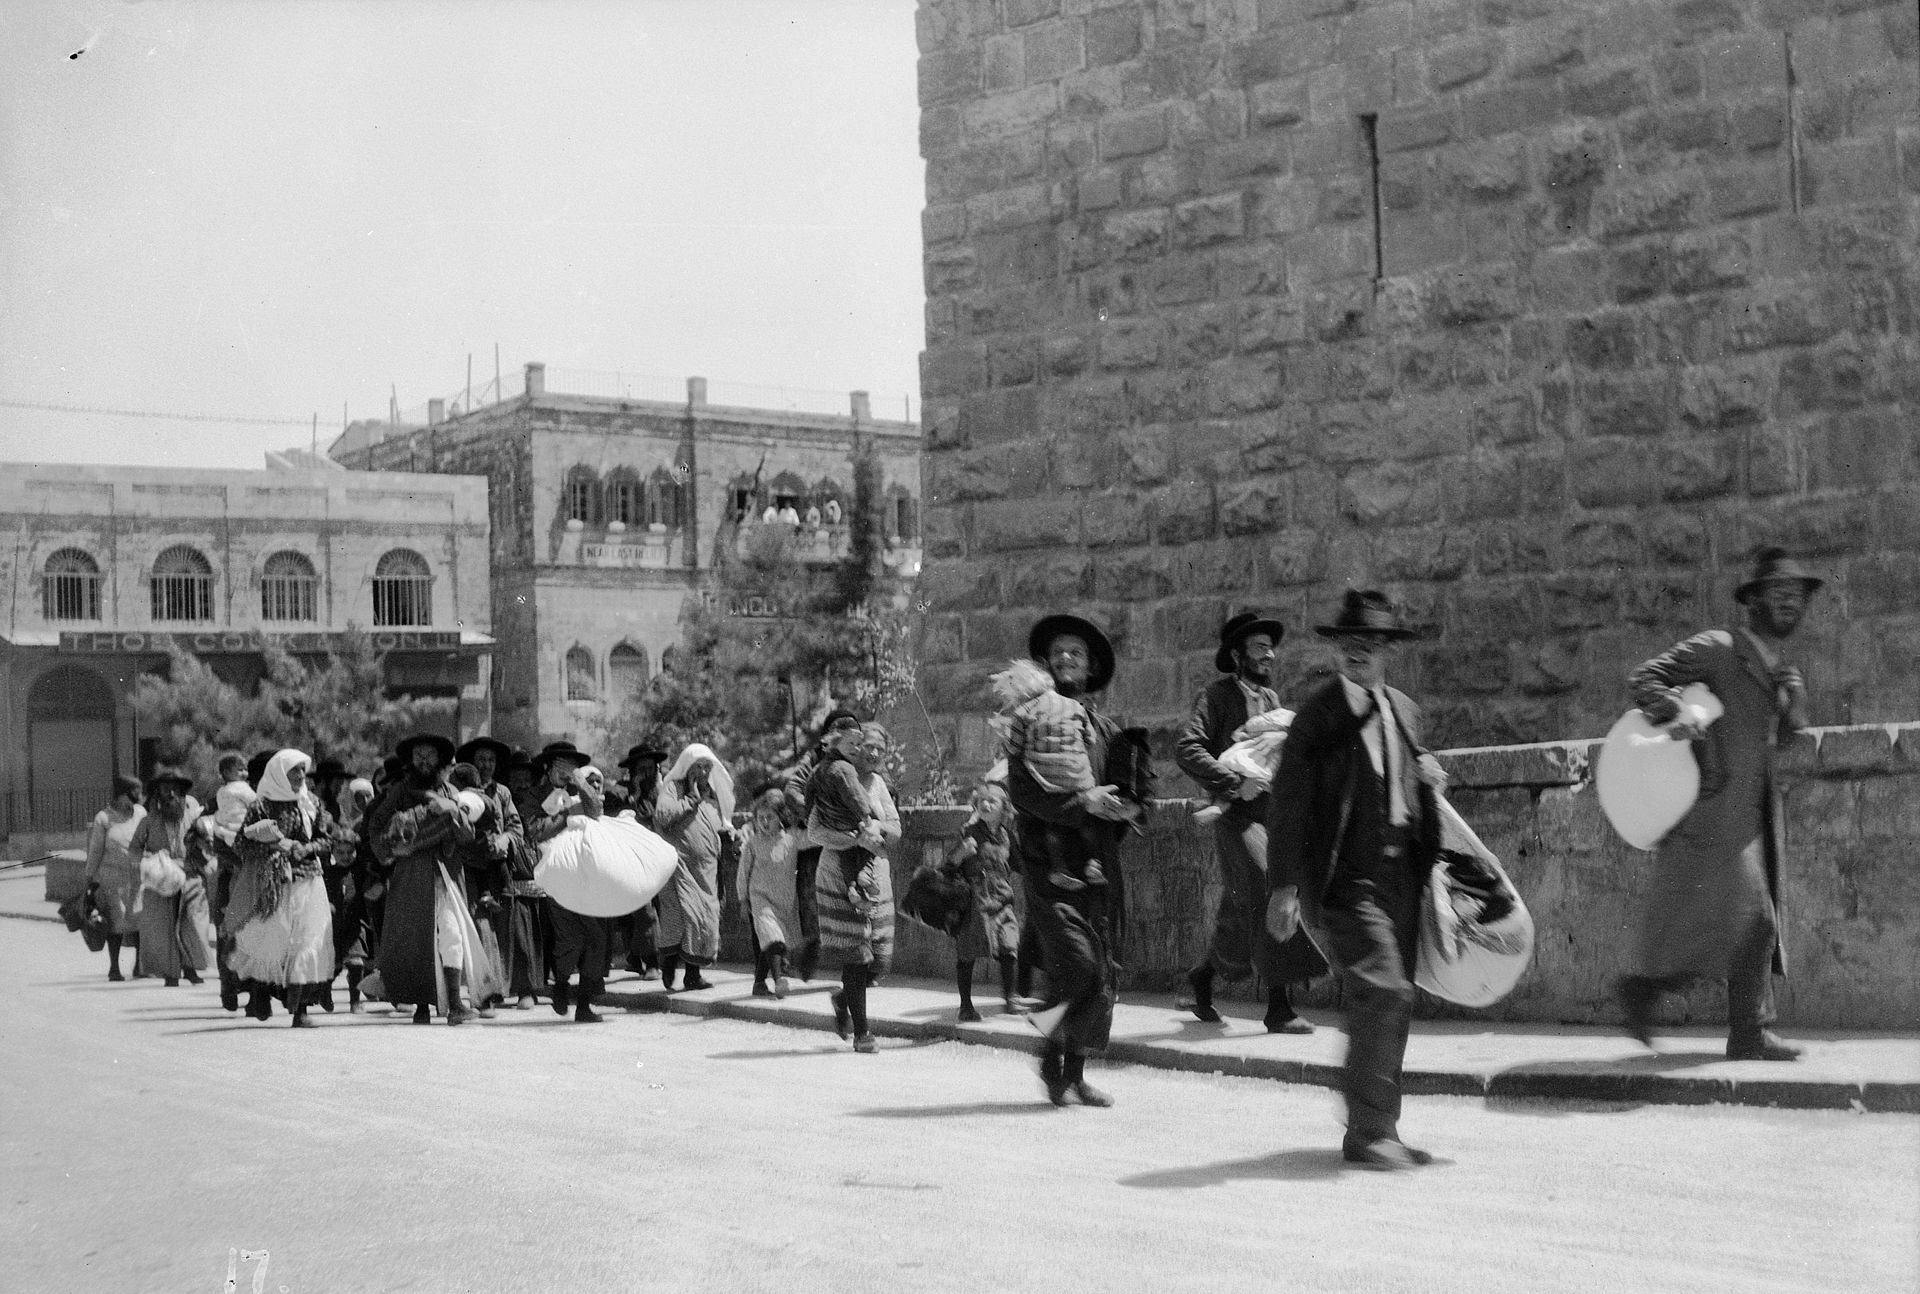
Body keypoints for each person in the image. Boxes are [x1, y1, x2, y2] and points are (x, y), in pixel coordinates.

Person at [1266, 590, 1450, 1171]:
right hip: (1347, 877)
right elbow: (1289, 802)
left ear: (1388, 651)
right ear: (1337, 651)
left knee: (1398, 996)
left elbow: (1411, 785)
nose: (1359, 653)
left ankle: (1378, 1128)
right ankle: (1370, 1129)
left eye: (1371, 645)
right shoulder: (1318, 716)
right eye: (1350, 645)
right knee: (1383, 989)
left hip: (1403, 873)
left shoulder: (1404, 709)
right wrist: (1284, 886)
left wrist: (1431, 780)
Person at [1617, 548, 1821, 1062]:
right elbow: (1645, 678)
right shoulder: (1719, 647)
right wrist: (1676, 710)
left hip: (1752, 815)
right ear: (1753, 601)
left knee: (1741, 924)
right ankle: (1722, 1021)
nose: (1790, 605)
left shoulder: (1775, 665)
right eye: (1779, 594)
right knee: (1750, 920)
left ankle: (1717, 1018)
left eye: (1797, 597)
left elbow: (1787, 736)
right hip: (1712, 813)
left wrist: (1792, 697)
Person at [1004, 614, 1136, 1105]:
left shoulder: (1106, 731)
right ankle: (1049, 1044)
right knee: (1079, 966)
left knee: (1103, 970)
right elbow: (1021, 792)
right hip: (1049, 863)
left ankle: (1074, 1074)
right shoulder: (1032, 720)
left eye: (1075, 654)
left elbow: (1123, 799)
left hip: (1100, 863)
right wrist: (1083, 803)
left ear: (1090, 667)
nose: (1064, 660)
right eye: (1057, 653)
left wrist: (1126, 807)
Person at [1175, 611, 1326, 1033]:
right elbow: (1187, 748)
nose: (1269, 656)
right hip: (1235, 815)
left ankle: (1201, 978)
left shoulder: (1273, 702)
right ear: (1238, 654)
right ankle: (1279, 1007)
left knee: (1242, 909)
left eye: (1270, 649)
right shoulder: (1215, 696)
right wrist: (1232, 781)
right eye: (1260, 648)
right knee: (1267, 884)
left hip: (1272, 816)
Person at [370, 732, 491, 1025]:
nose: (424, 761)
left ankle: (454, 1004)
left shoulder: (451, 792)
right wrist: (398, 843)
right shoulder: (399, 791)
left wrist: (453, 812)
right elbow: (377, 826)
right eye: (418, 756)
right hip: (412, 875)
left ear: (440, 760)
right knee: (416, 939)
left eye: (430, 756)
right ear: (411, 760)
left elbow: (467, 836)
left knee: (452, 933)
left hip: (447, 873)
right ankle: (421, 1004)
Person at [809, 722, 901, 1054]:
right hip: (837, 876)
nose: (874, 753)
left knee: (880, 961)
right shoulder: (833, 778)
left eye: (881, 748)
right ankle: (863, 1033)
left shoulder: (878, 785)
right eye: (869, 746)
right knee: (856, 957)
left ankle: (843, 998)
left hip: (875, 876)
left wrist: (876, 827)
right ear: (855, 747)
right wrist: (852, 838)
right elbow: (814, 832)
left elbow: (896, 830)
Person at [230, 750, 337, 1027]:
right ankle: (261, 991)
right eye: (294, 771)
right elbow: (240, 844)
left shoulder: (311, 804)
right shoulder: (261, 806)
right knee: (272, 939)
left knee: (306, 942)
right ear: (279, 772)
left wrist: (306, 848)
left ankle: (301, 1009)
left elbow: (327, 840)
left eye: (303, 770)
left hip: (308, 880)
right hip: (273, 883)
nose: (300, 776)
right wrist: (270, 845)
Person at [522, 741, 613, 1022]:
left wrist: (581, 785)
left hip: (584, 872)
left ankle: (583, 1004)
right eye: (561, 766)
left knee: (597, 938)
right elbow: (536, 832)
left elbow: (596, 810)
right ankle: (561, 984)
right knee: (569, 939)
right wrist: (566, 815)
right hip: (555, 875)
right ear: (549, 768)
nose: (566, 772)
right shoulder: (533, 796)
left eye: (571, 767)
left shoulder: (580, 792)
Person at [458, 737, 542, 1010]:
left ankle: (523, 990)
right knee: (482, 927)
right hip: (472, 869)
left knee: (512, 928)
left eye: (491, 760)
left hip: (502, 868)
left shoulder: (503, 793)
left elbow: (516, 827)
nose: (486, 765)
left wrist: (505, 840)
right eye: (481, 760)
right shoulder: (460, 792)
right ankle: (486, 993)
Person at [781, 709, 861, 982]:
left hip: (854, 841)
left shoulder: (858, 756)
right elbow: (792, 790)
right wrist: (818, 817)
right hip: (819, 846)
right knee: (817, 907)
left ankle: (861, 970)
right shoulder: (815, 759)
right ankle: (813, 952)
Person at [653, 744, 733, 992]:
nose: (704, 771)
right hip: (680, 868)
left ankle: (692, 976)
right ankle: (668, 965)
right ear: (687, 767)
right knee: (681, 918)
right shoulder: (674, 789)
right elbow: (663, 816)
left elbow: (718, 825)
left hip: (706, 872)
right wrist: (690, 799)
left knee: (703, 921)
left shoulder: (711, 795)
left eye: (708, 766)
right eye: (698, 766)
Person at [126, 766, 212, 987]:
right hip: (161, 881)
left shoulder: (194, 818)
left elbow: (208, 845)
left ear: (183, 793)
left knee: (192, 924)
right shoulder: (148, 822)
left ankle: (191, 968)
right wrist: (147, 864)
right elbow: (134, 849)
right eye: (166, 790)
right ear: (158, 794)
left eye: (175, 790)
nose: (171, 795)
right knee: (164, 928)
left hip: (191, 878)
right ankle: (170, 973)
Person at [949, 781, 1025, 1021]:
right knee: (968, 953)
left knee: (1009, 945)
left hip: (1002, 899)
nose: (985, 803)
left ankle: (1011, 999)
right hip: (976, 901)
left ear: (1004, 808)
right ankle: (966, 1006)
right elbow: (950, 865)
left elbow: (1020, 866)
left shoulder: (1007, 836)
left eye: (992, 800)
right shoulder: (968, 832)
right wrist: (961, 853)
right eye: (981, 799)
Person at [500, 748, 554, 1007]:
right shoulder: (502, 807)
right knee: (521, 935)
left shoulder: (542, 807)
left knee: (548, 934)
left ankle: (552, 983)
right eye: (516, 778)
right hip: (514, 879)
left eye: (526, 779)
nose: (521, 784)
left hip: (546, 875)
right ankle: (525, 990)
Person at [203, 752, 256, 1009]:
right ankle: (228, 986)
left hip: (248, 871)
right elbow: (214, 839)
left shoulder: (244, 801)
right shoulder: (219, 804)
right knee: (227, 933)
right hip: (229, 875)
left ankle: (255, 992)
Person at [735, 789, 800, 998]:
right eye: (760, 818)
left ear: (781, 817)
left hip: (783, 901)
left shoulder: (793, 840)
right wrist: (743, 900)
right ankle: (779, 978)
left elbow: (816, 838)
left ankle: (758, 983)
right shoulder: (754, 843)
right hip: (760, 899)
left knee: (769, 942)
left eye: (769, 817)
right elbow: (743, 872)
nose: (764, 822)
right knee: (772, 938)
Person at [82, 775, 147, 982]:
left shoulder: (141, 814)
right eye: (135, 791)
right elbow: (95, 852)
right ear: (122, 794)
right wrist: (90, 878)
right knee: (116, 924)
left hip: (137, 878)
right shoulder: (104, 818)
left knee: (139, 921)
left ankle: (140, 965)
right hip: (112, 881)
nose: (140, 796)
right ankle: (114, 968)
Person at [613, 741, 668, 979]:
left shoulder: (664, 793)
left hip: (659, 859)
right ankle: (651, 962)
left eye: (651, 769)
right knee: (641, 912)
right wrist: (634, 796)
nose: (647, 774)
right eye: (641, 769)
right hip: (631, 860)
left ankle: (641, 957)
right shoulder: (619, 792)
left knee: (656, 910)